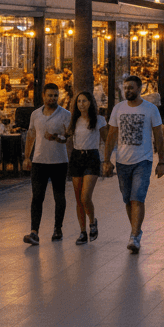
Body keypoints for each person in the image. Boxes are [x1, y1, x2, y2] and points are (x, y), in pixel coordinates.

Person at [102, 75, 164, 254]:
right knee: (128, 200)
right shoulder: (118, 109)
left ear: (140, 89)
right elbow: (111, 136)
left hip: (143, 161)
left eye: (131, 87)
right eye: (125, 88)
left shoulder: (150, 109)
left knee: (137, 197)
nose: (127, 91)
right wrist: (107, 160)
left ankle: (135, 235)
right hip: (122, 161)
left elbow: (159, 136)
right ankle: (135, 231)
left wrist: (161, 161)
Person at [21, 83, 72, 245]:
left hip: (59, 161)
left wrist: (57, 138)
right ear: (43, 96)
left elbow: (68, 138)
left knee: (59, 196)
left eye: (55, 95)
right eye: (50, 95)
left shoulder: (65, 114)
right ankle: (34, 231)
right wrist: (27, 157)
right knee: (37, 197)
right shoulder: (36, 114)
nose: (53, 98)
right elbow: (31, 134)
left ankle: (58, 228)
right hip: (39, 161)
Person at [67, 90, 103, 245]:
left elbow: (107, 139)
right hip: (77, 157)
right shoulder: (73, 120)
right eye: (79, 101)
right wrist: (57, 137)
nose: (82, 104)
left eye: (85, 101)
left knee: (85, 196)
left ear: (91, 103)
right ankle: (82, 231)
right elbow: (66, 137)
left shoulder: (99, 120)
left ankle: (92, 221)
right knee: (78, 199)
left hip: (92, 157)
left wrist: (107, 160)